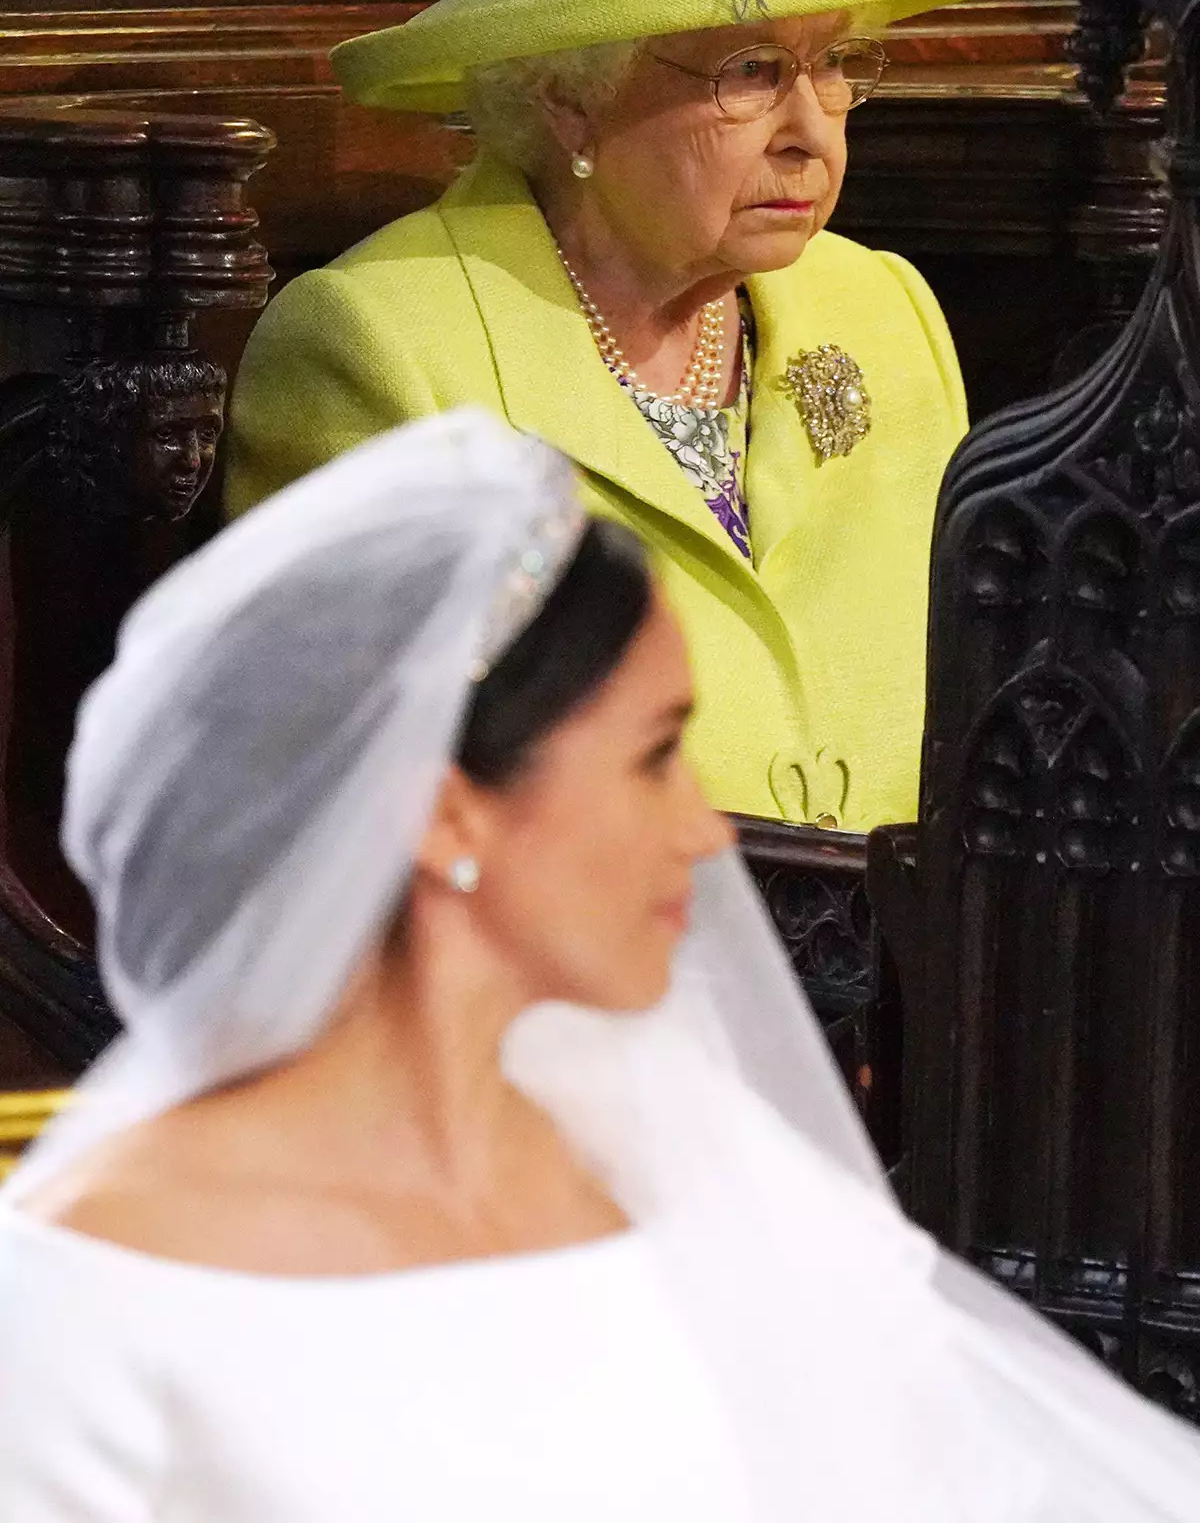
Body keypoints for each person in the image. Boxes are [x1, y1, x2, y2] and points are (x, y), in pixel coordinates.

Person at [1, 408, 1199, 1521]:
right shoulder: (94, 1287)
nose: (704, 830)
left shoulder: (668, 1150)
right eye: (652, 756)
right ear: (447, 815)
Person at [225, 0, 1008, 830]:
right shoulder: (378, 349)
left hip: (913, 984)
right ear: (566, 94)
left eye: (835, 64)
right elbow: (344, 814)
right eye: (750, 70)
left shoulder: (883, 310)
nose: (812, 132)